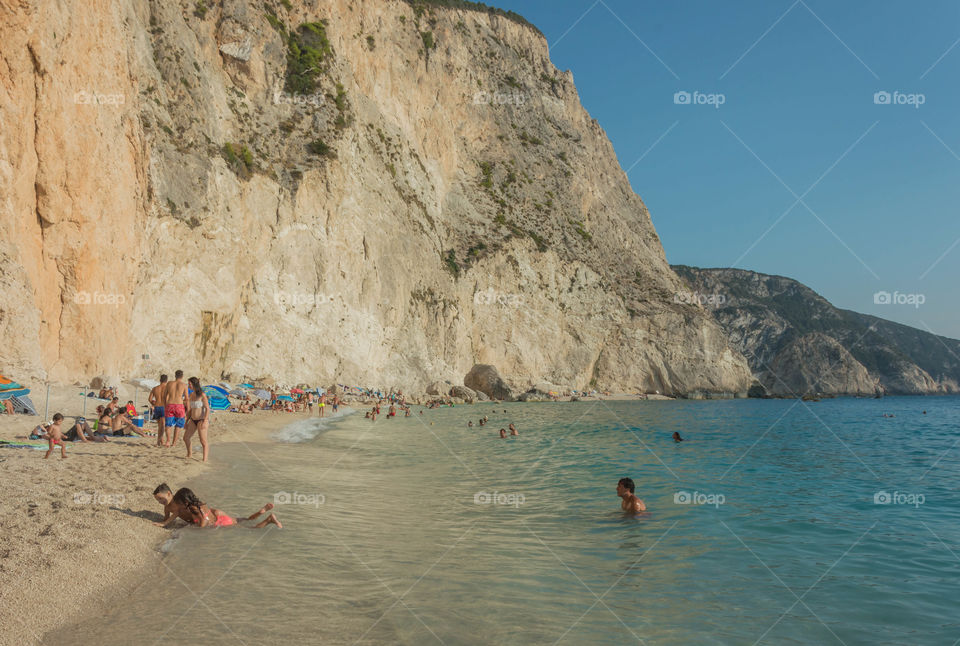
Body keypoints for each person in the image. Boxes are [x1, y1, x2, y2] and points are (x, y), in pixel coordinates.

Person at [156, 487, 281, 529]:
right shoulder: (197, 504)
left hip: (220, 522)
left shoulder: (194, 508)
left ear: (185, 501)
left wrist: (199, 530)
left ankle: (268, 520)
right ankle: (261, 512)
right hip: (219, 516)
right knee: (245, 520)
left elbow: (204, 520)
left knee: (250, 529)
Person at [183, 377, 211, 461]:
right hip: (192, 420)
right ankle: (189, 454)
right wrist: (186, 421)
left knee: (203, 441)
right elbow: (190, 410)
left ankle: (204, 459)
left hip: (201, 420)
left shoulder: (202, 395)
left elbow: (207, 409)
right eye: (188, 384)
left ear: (194, 384)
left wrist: (205, 421)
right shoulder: (191, 395)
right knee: (186, 438)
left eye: (190, 384)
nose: (188, 385)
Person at [163, 370, 189, 445]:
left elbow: (165, 396)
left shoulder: (169, 383)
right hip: (179, 405)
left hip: (170, 404)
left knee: (168, 424)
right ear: (182, 376)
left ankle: (168, 441)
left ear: (175, 375)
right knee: (178, 425)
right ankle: (174, 442)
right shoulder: (184, 385)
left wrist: (165, 405)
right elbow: (187, 398)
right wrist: (183, 402)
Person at [149, 374, 168, 447]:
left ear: (160, 380)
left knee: (160, 425)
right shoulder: (167, 388)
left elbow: (150, 399)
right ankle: (159, 441)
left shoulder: (155, 388)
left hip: (157, 407)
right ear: (166, 380)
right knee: (162, 426)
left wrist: (153, 403)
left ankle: (161, 441)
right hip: (164, 407)